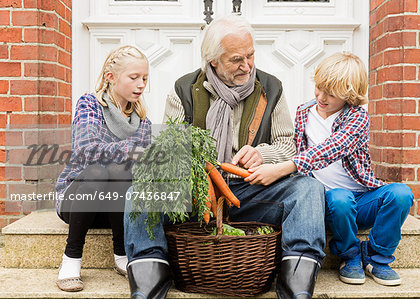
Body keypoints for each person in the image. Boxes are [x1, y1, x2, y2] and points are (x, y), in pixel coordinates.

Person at [124, 15, 326, 299]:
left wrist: (262, 154)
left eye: (251, 55)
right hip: (196, 195)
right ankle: (148, 280)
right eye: (236, 60)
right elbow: (170, 151)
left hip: (252, 191)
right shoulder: (183, 90)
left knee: (309, 189)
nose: (247, 65)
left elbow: (287, 145)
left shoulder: (271, 88)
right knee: (140, 193)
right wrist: (197, 168)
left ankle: (297, 285)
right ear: (213, 61)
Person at [247, 52, 414, 286]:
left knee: (401, 194)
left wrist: (284, 168)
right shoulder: (304, 112)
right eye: (319, 88)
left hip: (362, 199)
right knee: (339, 198)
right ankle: (350, 254)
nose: (321, 97)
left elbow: (333, 148)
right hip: (329, 201)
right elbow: (295, 148)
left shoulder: (357, 117)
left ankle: (378, 257)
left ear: (349, 95)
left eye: (331, 93)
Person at [55, 45, 151, 292]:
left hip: (115, 210)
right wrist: (130, 149)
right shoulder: (90, 104)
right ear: (111, 77)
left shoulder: (142, 119)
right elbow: (87, 151)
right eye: (134, 78)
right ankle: (71, 258)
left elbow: (140, 166)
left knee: (120, 172)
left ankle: (121, 252)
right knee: (99, 170)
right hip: (79, 201)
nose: (141, 84)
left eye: (144, 78)